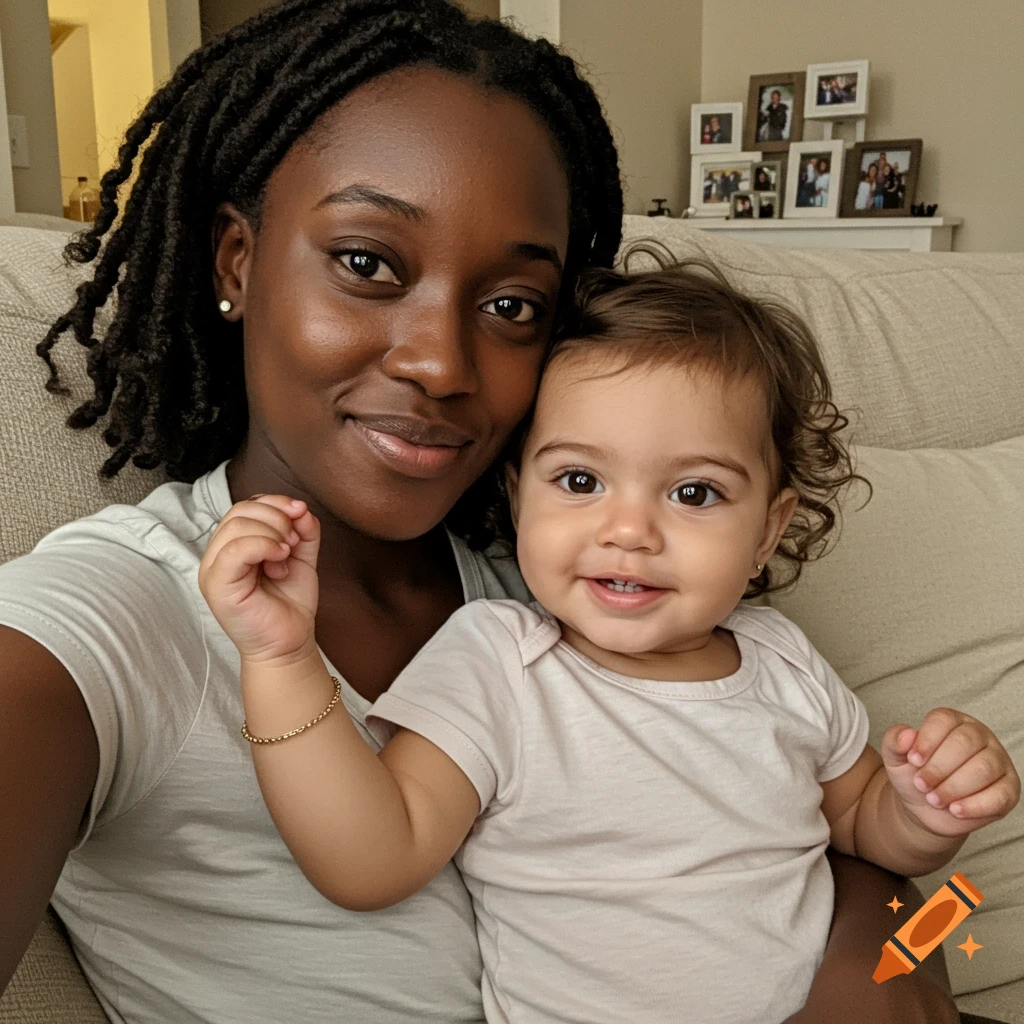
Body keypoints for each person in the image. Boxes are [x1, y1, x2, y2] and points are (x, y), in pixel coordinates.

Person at [0, 1, 980, 1022]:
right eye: (367, 262)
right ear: (237, 260)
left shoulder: (578, 584)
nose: (440, 362)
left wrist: (893, 959)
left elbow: (873, 870)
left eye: (512, 305)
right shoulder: (105, 620)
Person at [199, 257, 1020, 1024]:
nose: (629, 530)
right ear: (520, 497)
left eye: (695, 492)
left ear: (769, 528)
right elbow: (370, 861)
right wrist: (281, 660)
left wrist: (927, 806)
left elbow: (866, 831)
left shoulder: (782, 661)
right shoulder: (500, 663)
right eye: (580, 481)